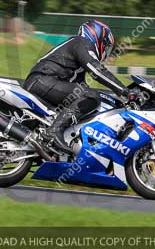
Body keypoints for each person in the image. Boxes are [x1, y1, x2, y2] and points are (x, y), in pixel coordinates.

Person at [23, 19, 136, 154]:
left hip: (43, 82)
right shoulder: (81, 42)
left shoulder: (77, 55)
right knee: (91, 96)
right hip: (43, 80)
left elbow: (82, 89)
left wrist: (116, 102)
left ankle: (54, 136)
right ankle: (53, 131)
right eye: (106, 46)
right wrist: (125, 91)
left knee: (89, 96)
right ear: (97, 36)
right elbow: (97, 71)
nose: (106, 52)